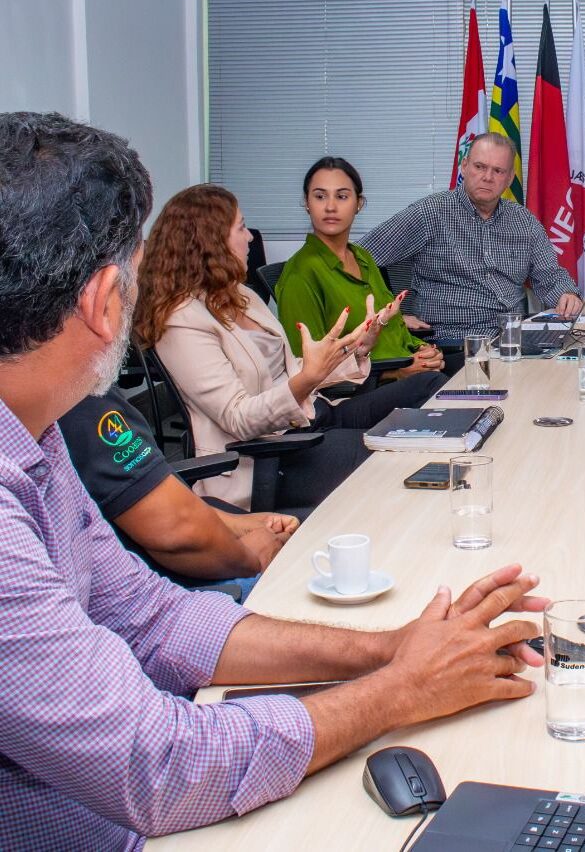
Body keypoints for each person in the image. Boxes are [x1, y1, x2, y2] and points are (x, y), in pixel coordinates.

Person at [0, 112, 549, 850]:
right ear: (104, 301)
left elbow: (151, 618)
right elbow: (159, 766)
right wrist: (399, 690)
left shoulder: (37, 435)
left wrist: (392, 647)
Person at [134, 184, 445, 512]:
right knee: (389, 456)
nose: (250, 238)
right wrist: (306, 380)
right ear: (209, 240)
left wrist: (359, 349)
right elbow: (238, 418)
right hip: (271, 452)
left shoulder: (240, 295)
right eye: (241, 227)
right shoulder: (182, 321)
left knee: (428, 385)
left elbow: (294, 369)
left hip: (313, 416)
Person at [58, 386, 298, 599]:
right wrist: (252, 556)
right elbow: (177, 531)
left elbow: (149, 495)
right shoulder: (81, 400)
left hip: (147, 564)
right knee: (300, 577)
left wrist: (243, 525)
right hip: (151, 592)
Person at [359, 133, 583, 351]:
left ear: (509, 178)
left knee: (576, 360)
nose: (487, 177)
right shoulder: (430, 213)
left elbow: (549, 275)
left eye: (498, 171)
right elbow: (356, 257)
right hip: (451, 343)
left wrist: (567, 295)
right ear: (464, 166)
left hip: (513, 339)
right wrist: (390, 316)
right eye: (480, 167)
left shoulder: (524, 221)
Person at [275, 156, 447, 378]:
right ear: (307, 203)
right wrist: (396, 372)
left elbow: (393, 328)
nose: (330, 207)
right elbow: (307, 369)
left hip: (405, 369)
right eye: (320, 196)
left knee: (472, 373)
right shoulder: (300, 275)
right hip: (363, 388)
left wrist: (423, 350)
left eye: (342, 196)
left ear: (359, 204)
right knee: (442, 384)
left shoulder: (362, 257)